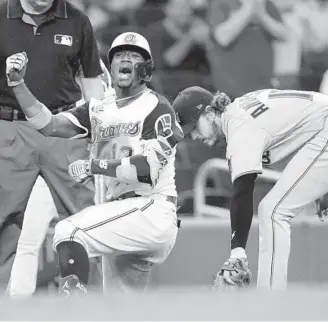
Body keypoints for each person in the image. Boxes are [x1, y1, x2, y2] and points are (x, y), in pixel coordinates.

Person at [6, 31, 183, 295]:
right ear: (110, 66)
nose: (125, 60)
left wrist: (95, 166)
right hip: (120, 213)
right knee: (119, 309)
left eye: (134, 56)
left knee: (69, 230)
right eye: (120, 55)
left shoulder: (157, 108)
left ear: (146, 69)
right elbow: (48, 124)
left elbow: (146, 170)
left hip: (151, 209)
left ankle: (74, 300)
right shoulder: (97, 109)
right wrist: (18, 85)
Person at [173, 86, 328, 290]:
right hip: (321, 129)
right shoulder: (241, 108)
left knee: (273, 212)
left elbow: (243, 190)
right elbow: (297, 127)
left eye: (194, 127)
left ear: (210, 113)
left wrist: (237, 251)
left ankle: (269, 303)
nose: (193, 136)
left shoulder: (239, 128)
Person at [0, 0, 104, 298]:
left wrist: (97, 129)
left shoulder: (76, 20)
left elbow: (92, 82)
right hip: (10, 126)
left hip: (63, 127)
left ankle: (85, 300)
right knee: (3, 219)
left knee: (83, 217)